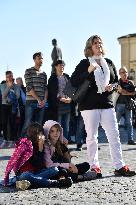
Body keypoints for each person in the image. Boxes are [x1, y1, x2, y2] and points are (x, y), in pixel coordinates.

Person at [70, 34, 136, 177]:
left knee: (114, 135)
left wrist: (112, 86)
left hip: (107, 103)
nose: (98, 44)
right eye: (95, 43)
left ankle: (119, 166)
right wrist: (88, 71)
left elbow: (116, 82)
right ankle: (95, 167)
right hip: (89, 105)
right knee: (92, 138)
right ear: (90, 47)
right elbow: (74, 81)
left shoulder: (109, 62)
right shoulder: (84, 63)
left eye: (100, 42)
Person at [4, 122, 72, 190]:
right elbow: (12, 160)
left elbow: (38, 165)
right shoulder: (24, 144)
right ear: (33, 135)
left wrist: (40, 149)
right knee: (26, 176)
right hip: (23, 174)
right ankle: (54, 183)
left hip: (36, 173)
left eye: (42, 134)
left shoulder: (40, 145)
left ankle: (29, 183)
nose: (42, 136)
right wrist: (6, 179)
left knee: (55, 170)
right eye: (40, 134)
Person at [22, 52, 48, 136]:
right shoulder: (28, 71)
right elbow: (29, 88)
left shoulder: (44, 73)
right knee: (28, 122)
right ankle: (21, 142)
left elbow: (45, 88)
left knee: (39, 123)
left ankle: (35, 142)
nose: (41, 60)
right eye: (39, 58)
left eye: (42, 58)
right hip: (31, 101)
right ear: (34, 59)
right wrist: (38, 99)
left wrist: (44, 100)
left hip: (42, 102)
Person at [47, 60, 71, 141]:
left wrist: (70, 98)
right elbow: (52, 92)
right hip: (57, 105)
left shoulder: (67, 77)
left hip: (68, 104)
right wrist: (61, 99)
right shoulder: (52, 78)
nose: (62, 67)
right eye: (60, 65)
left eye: (63, 65)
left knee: (66, 125)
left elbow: (72, 89)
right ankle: (58, 143)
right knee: (58, 125)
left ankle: (65, 143)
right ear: (56, 67)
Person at [116, 67, 136, 145]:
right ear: (120, 74)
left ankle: (130, 140)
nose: (124, 74)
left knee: (129, 123)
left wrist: (125, 92)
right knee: (116, 122)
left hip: (129, 104)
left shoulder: (131, 82)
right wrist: (129, 92)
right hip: (119, 105)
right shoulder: (118, 82)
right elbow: (120, 91)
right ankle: (115, 139)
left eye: (125, 72)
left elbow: (134, 93)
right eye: (122, 72)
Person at [0, 71, 20, 148]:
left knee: (12, 123)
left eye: (11, 76)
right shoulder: (2, 85)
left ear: (12, 76)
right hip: (4, 106)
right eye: (8, 76)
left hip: (13, 106)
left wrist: (10, 99)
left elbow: (17, 96)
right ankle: (5, 140)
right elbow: (3, 95)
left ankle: (12, 140)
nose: (10, 78)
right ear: (6, 77)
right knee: (4, 122)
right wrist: (9, 87)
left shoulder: (16, 86)